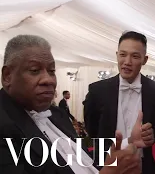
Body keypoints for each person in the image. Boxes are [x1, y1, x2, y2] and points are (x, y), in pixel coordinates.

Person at [0, 34, 141, 174]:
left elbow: (83, 162)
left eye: (51, 71)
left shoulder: (57, 114)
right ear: (7, 76)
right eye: (34, 70)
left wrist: (125, 147)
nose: (48, 80)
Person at [84, 31, 155, 174]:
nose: (127, 62)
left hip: (143, 167)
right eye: (123, 54)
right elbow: (92, 129)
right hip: (105, 166)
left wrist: (150, 136)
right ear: (117, 55)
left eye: (135, 56)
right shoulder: (97, 91)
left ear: (145, 59)